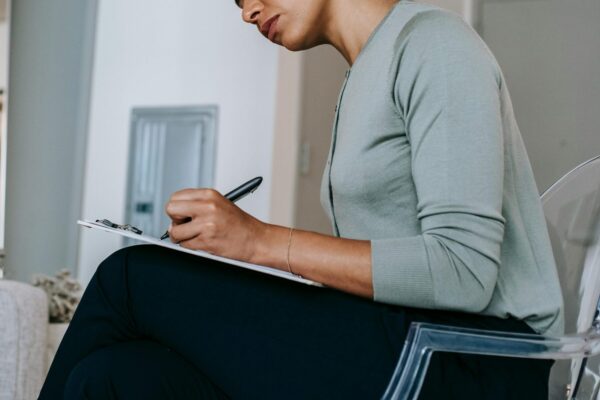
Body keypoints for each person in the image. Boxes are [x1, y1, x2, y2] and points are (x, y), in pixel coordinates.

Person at [38, 0, 565, 398]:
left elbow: (464, 271)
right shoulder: (364, 75)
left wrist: (258, 241)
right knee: (109, 377)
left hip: (474, 361)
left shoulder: (434, 43)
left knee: (129, 278)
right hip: (403, 340)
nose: (247, 12)